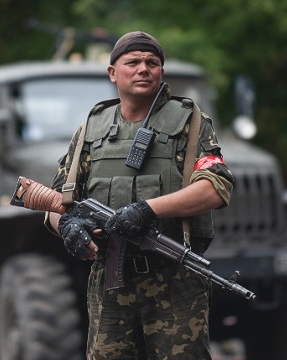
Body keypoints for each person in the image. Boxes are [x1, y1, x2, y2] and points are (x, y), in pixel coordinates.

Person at [46, 31, 234, 359]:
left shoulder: (190, 123)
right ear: (112, 73)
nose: (143, 69)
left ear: (162, 71)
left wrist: (148, 209)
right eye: (132, 62)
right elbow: (55, 198)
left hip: (174, 279)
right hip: (110, 282)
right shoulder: (91, 128)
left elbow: (215, 187)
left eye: (153, 63)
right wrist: (66, 225)